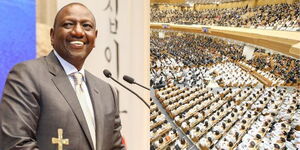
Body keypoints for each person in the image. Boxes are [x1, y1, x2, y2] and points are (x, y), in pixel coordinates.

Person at [0, 3, 124, 150]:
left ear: (95, 37)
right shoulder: (27, 75)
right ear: (52, 35)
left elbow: (116, 147)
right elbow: (15, 144)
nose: (78, 31)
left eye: (86, 26)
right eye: (68, 24)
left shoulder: (107, 91)